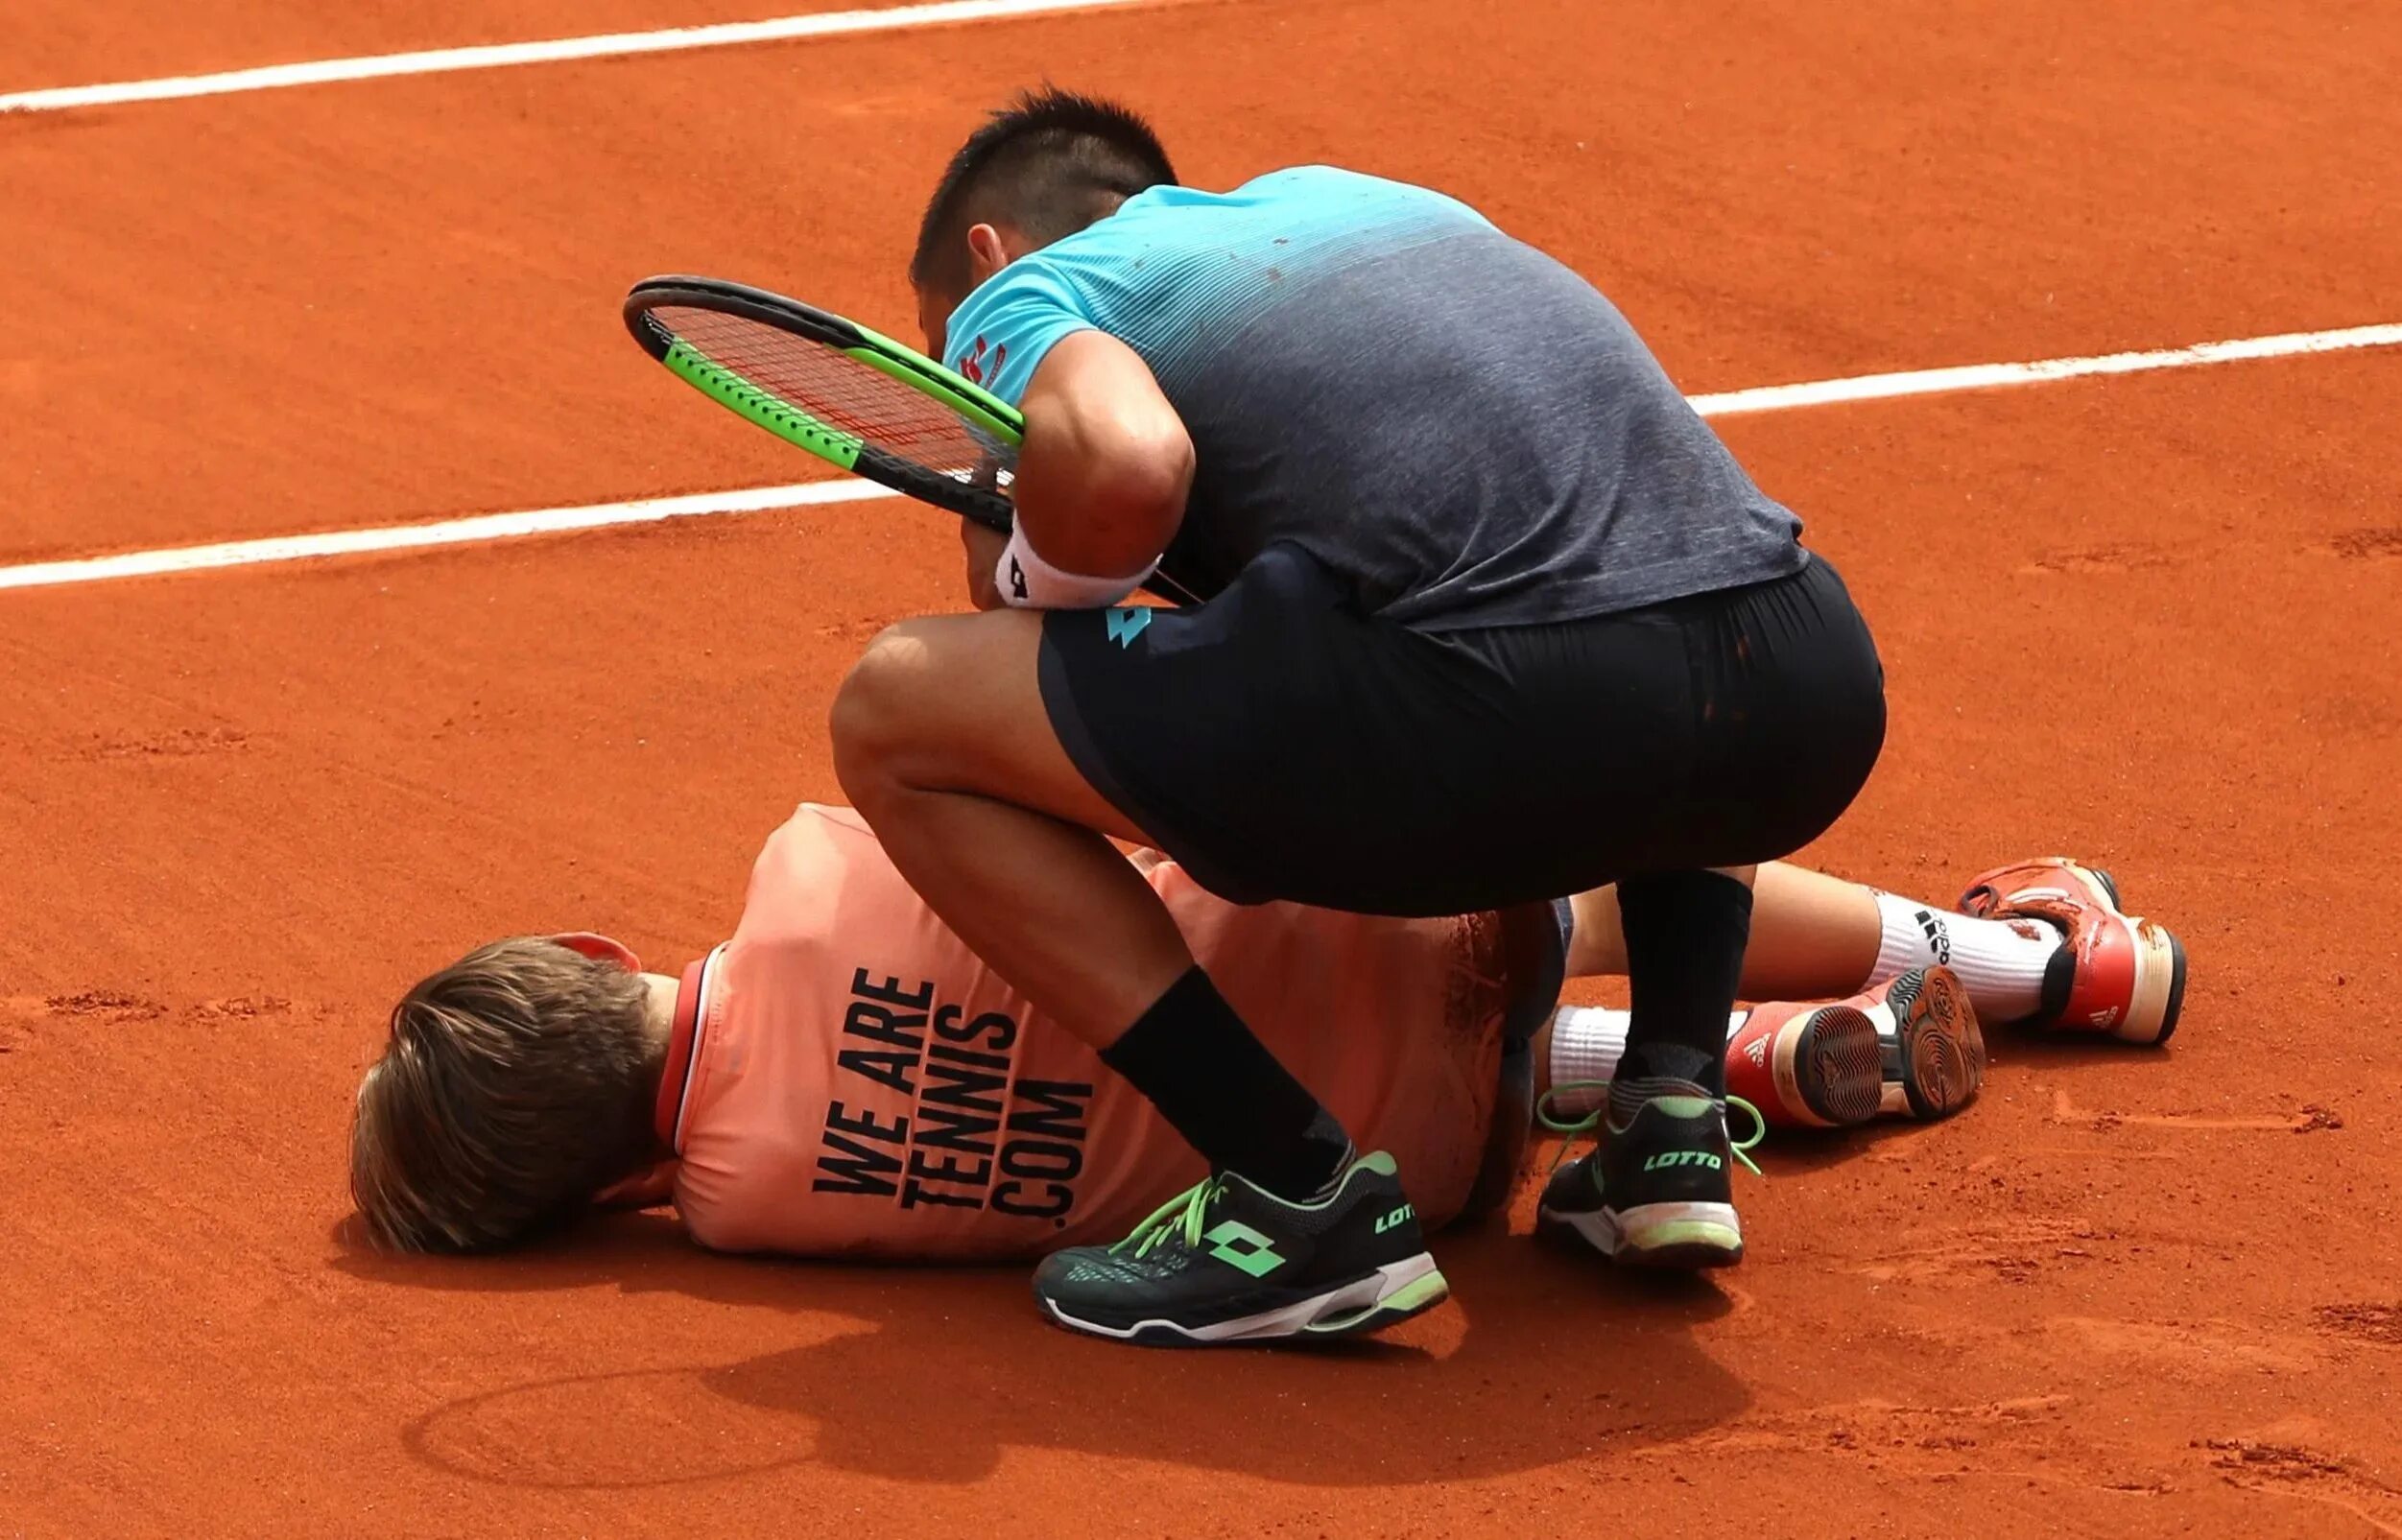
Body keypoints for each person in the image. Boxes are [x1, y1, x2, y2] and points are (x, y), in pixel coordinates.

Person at [822, 83, 1895, 1341]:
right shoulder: (1366, 199)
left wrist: (1019, 551)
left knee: (895, 712)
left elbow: (1121, 469)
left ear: (986, 255)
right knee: (1627, 578)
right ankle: (1669, 1104)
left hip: (1504, 709)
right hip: (1801, 683)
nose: (970, 396)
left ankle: (1291, 1189)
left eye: (946, 347)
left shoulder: (1028, 292)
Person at [350, 799, 2186, 1342]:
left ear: (603, 1187)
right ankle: (2051, 960)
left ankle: (1756, 1070)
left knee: (1251, 1074)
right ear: (596, 953)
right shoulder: (801, 867)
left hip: (1425, 1174)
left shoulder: (746, 1215)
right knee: (1598, 858)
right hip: (1431, 921)